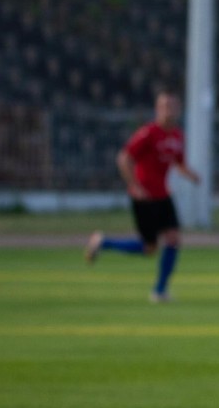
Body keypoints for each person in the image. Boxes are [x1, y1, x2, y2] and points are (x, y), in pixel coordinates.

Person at [85, 87, 200, 303]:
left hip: (163, 195)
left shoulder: (177, 136)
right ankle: (104, 242)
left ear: (179, 109)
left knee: (173, 239)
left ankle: (160, 290)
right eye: (165, 106)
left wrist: (191, 175)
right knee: (149, 248)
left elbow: (178, 163)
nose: (169, 111)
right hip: (144, 197)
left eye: (173, 106)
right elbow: (124, 158)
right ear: (157, 109)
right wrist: (135, 186)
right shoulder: (147, 133)